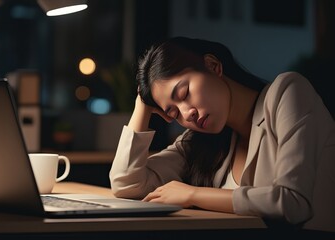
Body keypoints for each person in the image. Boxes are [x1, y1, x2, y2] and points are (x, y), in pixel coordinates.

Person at [109, 37, 335, 232]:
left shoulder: (286, 93)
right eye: (173, 112)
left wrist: (193, 195)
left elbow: (292, 203)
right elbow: (127, 185)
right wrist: (143, 104)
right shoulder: (201, 141)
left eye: (184, 92)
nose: (188, 113)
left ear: (213, 65)